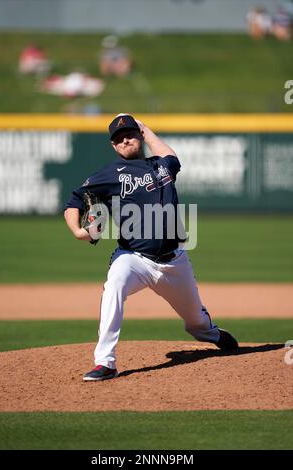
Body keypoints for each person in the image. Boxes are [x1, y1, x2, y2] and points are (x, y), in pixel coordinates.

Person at [64, 114, 239, 382]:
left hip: (174, 261)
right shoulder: (109, 174)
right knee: (114, 285)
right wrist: (78, 230)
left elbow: (172, 156)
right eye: (118, 138)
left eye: (130, 134)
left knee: (196, 322)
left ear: (140, 136)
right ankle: (105, 362)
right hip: (134, 258)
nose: (125, 140)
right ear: (113, 146)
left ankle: (211, 334)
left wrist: (146, 130)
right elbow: (74, 200)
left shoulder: (162, 166)